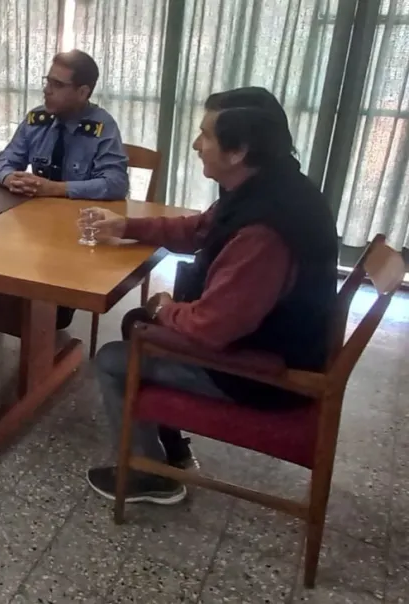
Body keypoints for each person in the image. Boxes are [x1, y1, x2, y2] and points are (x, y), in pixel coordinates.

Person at [83, 87, 339, 505]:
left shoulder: (264, 232)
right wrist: (126, 226)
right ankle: (173, 452)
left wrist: (167, 309)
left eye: (206, 136)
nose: (196, 145)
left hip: (260, 373)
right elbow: (199, 229)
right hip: (275, 342)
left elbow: (213, 328)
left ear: (238, 151)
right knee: (139, 326)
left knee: (114, 357)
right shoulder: (273, 184)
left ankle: (149, 475)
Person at [0, 50, 130, 329]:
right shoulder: (37, 119)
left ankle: (42, 323)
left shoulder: (102, 127)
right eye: (47, 81)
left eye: (57, 85)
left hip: (78, 232)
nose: (46, 90)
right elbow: (5, 161)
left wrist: (55, 188)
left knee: (50, 313)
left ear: (82, 92)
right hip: (36, 229)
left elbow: (116, 184)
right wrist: (10, 178)